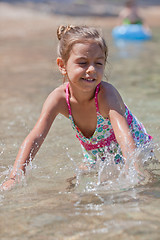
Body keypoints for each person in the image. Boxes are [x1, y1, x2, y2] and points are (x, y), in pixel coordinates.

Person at [1, 25, 153, 191]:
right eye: (82, 63)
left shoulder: (106, 95)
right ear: (62, 66)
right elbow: (35, 137)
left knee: (145, 187)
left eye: (99, 63)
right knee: (70, 188)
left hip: (135, 150)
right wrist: (15, 177)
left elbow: (124, 135)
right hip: (96, 157)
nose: (91, 70)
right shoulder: (59, 98)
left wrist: (135, 170)